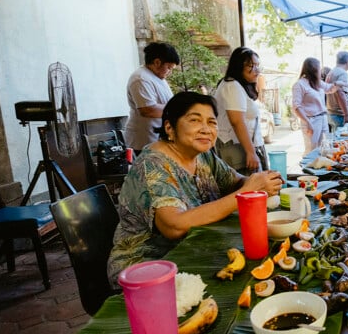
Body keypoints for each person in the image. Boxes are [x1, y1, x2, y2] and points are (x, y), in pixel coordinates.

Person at [108, 91, 283, 285]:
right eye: (195, 120)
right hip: (147, 268)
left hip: (195, 250)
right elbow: (174, 226)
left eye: (212, 122)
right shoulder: (152, 165)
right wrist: (245, 193)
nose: (206, 129)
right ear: (169, 128)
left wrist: (259, 181)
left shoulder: (203, 155)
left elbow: (236, 181)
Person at [213, 47, 269, 174]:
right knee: (249, 189)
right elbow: (237, 121)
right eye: (251, 65)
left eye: (257, 65)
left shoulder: (238, 86)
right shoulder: (231, 86)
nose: (257, 70)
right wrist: (251, 152)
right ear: (238, 66)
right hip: (236, 149)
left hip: (244, 147)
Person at [125, 42, 180, 154]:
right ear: (157, 62)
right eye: (169, 67)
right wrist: (179, 109)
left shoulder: (157, 77)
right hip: (144, 141)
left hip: (158, 139)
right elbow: (148, 110)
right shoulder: (141, 79)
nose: (170, 72)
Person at [291, 57, 338, 154]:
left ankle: (323, 167)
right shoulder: (299, 85)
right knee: (312, 150)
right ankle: (308, 169)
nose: (320, 71)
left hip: (323, 118)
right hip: (311, 120)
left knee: (325, 148)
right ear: (312, 69)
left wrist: (340, 83)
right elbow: (296, 107)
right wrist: (308, 122)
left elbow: (330, 89)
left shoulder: (317, 83)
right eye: (318, 68)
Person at [325, 51, 348, 132]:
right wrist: (347, 115)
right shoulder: (343, 74)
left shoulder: (331, 72)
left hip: (333, 114)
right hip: (340, 115)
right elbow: (340, 93)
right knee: (341, 140)